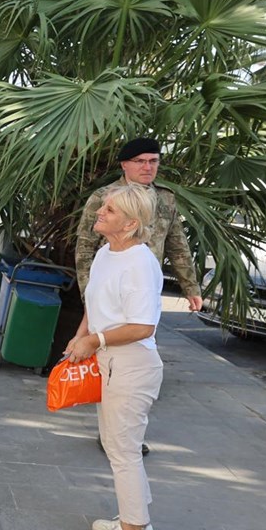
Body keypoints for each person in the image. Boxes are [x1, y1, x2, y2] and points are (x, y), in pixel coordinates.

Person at [76, 137, 200, 457]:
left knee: (135, 362)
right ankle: (112, 430)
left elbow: (177, 244)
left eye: (154, 161)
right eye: (141, 161)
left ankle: (125, 430)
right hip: (110, 293)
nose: (148, 167)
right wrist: (90, 296)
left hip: (142, 290)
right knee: (109, 361)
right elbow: (85, 247)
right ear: (125, 164)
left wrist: (191, 287)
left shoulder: (165, 200)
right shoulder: (105, 198)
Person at [64, 184, 164, 530]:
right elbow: (96, 300)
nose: (99, 213)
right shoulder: (108, 252)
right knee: (115, 444)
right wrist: (81, 335)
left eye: (110, 210)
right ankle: (136, 521)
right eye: (103, 206)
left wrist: (95, 341)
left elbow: (143, 326)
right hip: (110, 359)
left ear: (131, 224)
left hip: (132, 363)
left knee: (123, 450)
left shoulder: (140, 263)